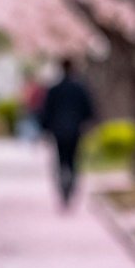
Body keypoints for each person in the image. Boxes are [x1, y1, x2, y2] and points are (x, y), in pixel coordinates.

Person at [40, 57, 96, 207]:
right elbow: (88, 109)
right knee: (73, 160)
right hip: (75, 130)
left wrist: (45, 129)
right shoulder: (80, 88)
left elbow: (46, 111)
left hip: (58, 130)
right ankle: (70, 185)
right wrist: (88, 124)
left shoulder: (54, 89)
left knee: (61, 159)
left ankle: (63, 187)